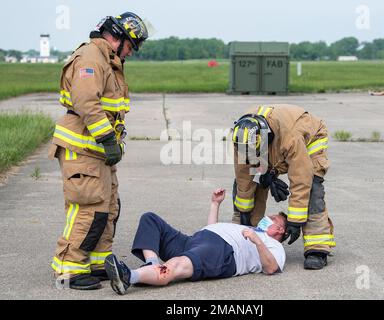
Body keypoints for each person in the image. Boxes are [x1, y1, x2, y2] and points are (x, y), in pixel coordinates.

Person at [48, 12, 152, 290]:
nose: (132, 51)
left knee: (108, 208)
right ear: (115, 36)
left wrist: (110, 143)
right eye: (131, 44)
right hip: (84, 148)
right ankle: (69, 268)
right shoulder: (91, 58)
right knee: (89, 208)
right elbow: (85, 101)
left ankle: (95, 262)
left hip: (96, 151)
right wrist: (107, 138)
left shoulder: (108, 60)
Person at [104, 188, 287, 295]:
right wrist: (215, 204)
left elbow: (271, 268)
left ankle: (129, 277)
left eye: (272, 218)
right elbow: (212, 229)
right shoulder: (252, 230)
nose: (267, 218)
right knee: (150, 219)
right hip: (197, 240)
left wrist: (257, 242)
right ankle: (151, 266)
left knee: (177, 264)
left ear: (280, 229)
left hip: (223, 253)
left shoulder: (274, 246)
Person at [231, 105, 335, 270]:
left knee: (312, 191)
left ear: (266, 137)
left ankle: (317, 248)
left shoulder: (290, 136)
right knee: (254, 183)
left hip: (308, 142)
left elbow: (301, 180)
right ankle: (245, 236)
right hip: (273, 146)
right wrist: (244, 212)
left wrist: (295, 221)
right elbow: (244, 176)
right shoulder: (243, 137)